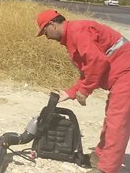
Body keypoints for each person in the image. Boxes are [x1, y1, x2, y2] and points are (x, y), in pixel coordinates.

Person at [36, 9, 130, 173]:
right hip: (121, 74)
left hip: (126, 72)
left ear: (52, 24)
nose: (46, 36)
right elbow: (88, 69)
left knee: (117, 122)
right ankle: (99, 157)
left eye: (45, 31)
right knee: (111, 119)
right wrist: (71, 92)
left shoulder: (77, 31)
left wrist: (85, 91)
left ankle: (107, 169)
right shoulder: (72, 36)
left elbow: (97, 62)